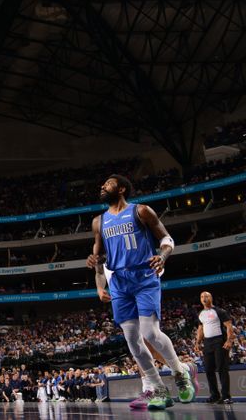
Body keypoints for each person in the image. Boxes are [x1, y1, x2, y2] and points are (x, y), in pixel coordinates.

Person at [87, 174, 198, 410]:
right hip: (119, 281)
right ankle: (158, 389)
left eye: (107, 183)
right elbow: (98, 262)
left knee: (150, 332)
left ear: (122, 189)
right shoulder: (99, 222)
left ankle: (180, 373)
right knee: (132, 341)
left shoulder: (142, 211)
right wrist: (99, 286)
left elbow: (167, 238)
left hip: (144, 275)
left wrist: (163, 255)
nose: (102, 186)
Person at [196, 291, 235, 404]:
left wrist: (229, 340)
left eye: (206, 296)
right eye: (202, 296)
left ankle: (226, 396)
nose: (204, 298)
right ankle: (214, 395)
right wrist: (197, 342)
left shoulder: (219, 311)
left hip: (219, 341)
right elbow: (200, 329)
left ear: (211, 298)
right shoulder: (200, 314)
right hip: (207, 343)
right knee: (208, 370)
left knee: (222, 369)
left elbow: (229, 326)